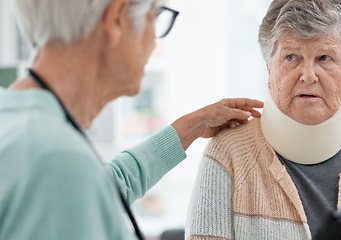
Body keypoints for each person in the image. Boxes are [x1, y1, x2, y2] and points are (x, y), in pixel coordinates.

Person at [0, 0, 263, 239]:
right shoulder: (58, 163)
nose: (154, 41)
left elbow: (104, 187)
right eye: (155, 17)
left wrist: (192, 126)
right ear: (117, 18)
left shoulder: (21, 127)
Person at [185, 0, 341, 239]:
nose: (308, 76)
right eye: (291, 57)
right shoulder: (229, 153)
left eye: (324, 58)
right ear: (269, 67)